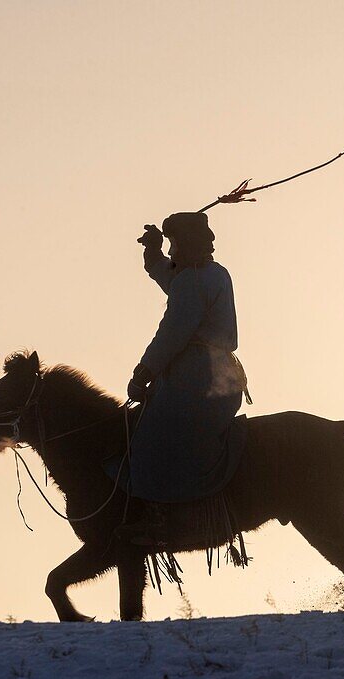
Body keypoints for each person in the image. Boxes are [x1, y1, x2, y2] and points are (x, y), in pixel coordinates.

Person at [114, 212, 249, 546]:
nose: (171, 253)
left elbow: (173, 332)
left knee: (152, 430)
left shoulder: (194, 280)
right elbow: (170, 277)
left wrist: (143, 371)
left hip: (198, 375)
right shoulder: (213, 274)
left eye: (174, 244)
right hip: (219, 373)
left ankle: (158, 518)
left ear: (185, 244)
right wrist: (154, 253)